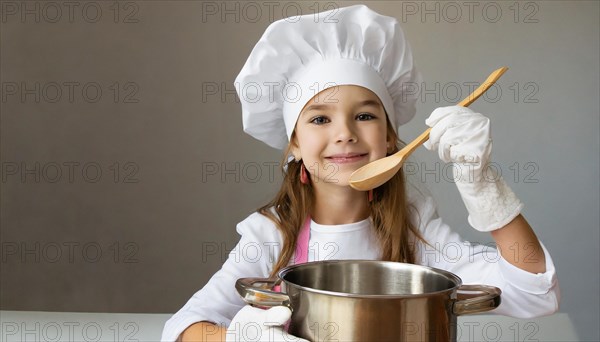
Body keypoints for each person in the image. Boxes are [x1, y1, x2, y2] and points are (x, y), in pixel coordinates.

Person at [162, 5, 560, 341]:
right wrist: (237, 337)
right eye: (319, 118)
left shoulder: (415, 226)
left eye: (365, 115)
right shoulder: (271, 233)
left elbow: (535, 292)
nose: (345, 134)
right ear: (294, 145)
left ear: (389, 138)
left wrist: (483, 185)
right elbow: (182, 328)